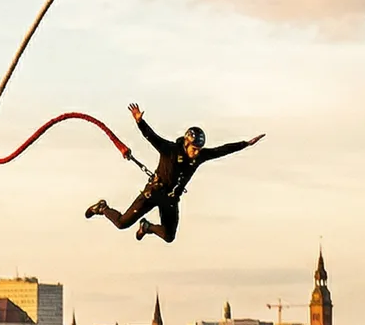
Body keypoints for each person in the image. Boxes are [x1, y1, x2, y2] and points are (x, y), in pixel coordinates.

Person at [86, 104, 262, 242]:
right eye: (194, 148)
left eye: (199, 148)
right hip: (153, 193)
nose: (197, 152)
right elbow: (151, 136)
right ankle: (103, 208)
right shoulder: (169, 149)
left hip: (170, 200)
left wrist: (245, 144)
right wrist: (140, 121)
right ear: (186, 143)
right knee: (122, 223)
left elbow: (221, 150)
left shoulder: (199, 157)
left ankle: (147, 227)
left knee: (169, 237)